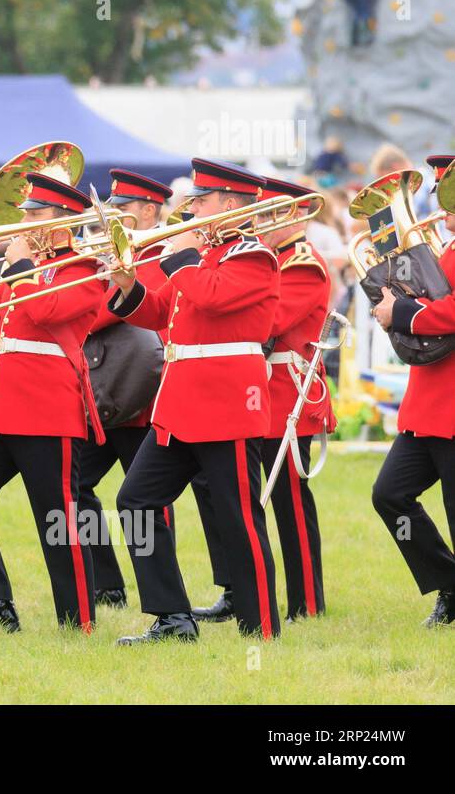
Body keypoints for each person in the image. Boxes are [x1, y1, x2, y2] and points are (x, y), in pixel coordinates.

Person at [109, 158, 281, 645]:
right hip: (181, 402)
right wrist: (129, 288)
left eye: (200, 201)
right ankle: (171, 618)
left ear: (229, 205)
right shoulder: (201, 256)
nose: (189, 210)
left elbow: (210, 298)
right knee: (136, 501)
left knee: (237, 513)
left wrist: (179, 255)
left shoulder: (253, 256)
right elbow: (163, 310)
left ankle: (261, 623)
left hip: (226, 400)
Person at [0, 173, 105, 634]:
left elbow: (45, 311)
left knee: (57, 519)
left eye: (36, 213)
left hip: (49, 411)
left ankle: (79, 620)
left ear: (63, 221)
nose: (23, 220)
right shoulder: (23, 269)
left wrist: (21, 267)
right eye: (26, 211)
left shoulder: (84, 270)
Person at [190, 177, 335, 624]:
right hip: (251, 392)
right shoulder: (263, 260)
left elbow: (267, 322)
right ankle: (237, 589)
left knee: (289, 499)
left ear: (294, 217)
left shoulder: (302, 264)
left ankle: (307, 602)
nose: (257, 227)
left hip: (285, 393)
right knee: (222, 492)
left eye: (269, 217)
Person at [73, 169, 175, 610]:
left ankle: (165, 596)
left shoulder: (158, 252)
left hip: (146, 396)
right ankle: (108, 582)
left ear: (149, 211)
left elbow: (103, 313)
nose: (111, 221)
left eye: (122, 211)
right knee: (75, 485)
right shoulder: (120, 250)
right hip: (107, 394)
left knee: (149, 502)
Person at [370, 154, 455, 626]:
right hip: (429, 404)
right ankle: (450, 583)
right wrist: (388, 304)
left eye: (447, 192)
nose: (439, 203)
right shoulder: (443, 250)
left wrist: (402, 313)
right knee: (390, 495)